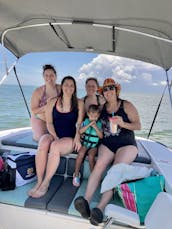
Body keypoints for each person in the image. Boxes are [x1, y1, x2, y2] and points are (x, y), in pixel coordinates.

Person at [74, 77, 141, 225]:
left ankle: (100, 208)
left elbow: (138, 125)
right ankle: (85, 202)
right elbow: (86, 114)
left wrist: (123, 123)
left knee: (115, 170)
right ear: (102, 93)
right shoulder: (102, 109)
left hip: (126, 144)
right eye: (105, 89)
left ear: (116, 90)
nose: (108, 91)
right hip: (108, 144)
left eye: (111, 88)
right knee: (98, 166)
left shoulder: (126, 105)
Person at [28, 76, 84, 198]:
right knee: (43, 142)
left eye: (71, 85)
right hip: (54, 134)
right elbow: (49, 123)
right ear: (61, 86)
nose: (68, 87)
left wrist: (77, 138)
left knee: (55, 146)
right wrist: (54, 136)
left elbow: (79, 124)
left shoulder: (79, 103)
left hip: (70, 138)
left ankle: (46, 183)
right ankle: (39, 180)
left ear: (74, 88)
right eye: (66, 84)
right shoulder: (53, 101)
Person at [73, 104, 103, 187]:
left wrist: (96, 127)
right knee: (81, 154)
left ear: (98, 116)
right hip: (85, 143)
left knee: (91, 157)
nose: (93, 118)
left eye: (95, 116)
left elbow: (101, 136)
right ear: (88, 114)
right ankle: (76, 174)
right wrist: (89, 125)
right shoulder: (85, 122)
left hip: (94, 146)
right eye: (91, 116)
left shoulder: (99, 124)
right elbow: (80, 132)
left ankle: (93, 177)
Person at [30, 64, 61, 141]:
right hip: (41, 120)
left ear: (55, 76)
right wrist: (47, 106)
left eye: (51, 75)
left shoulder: (61, 89)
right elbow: (34, 110)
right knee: (42, 140)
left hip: (56, 121)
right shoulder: (38, 91)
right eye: (46, 75)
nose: (49, 77)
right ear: (43, 77)